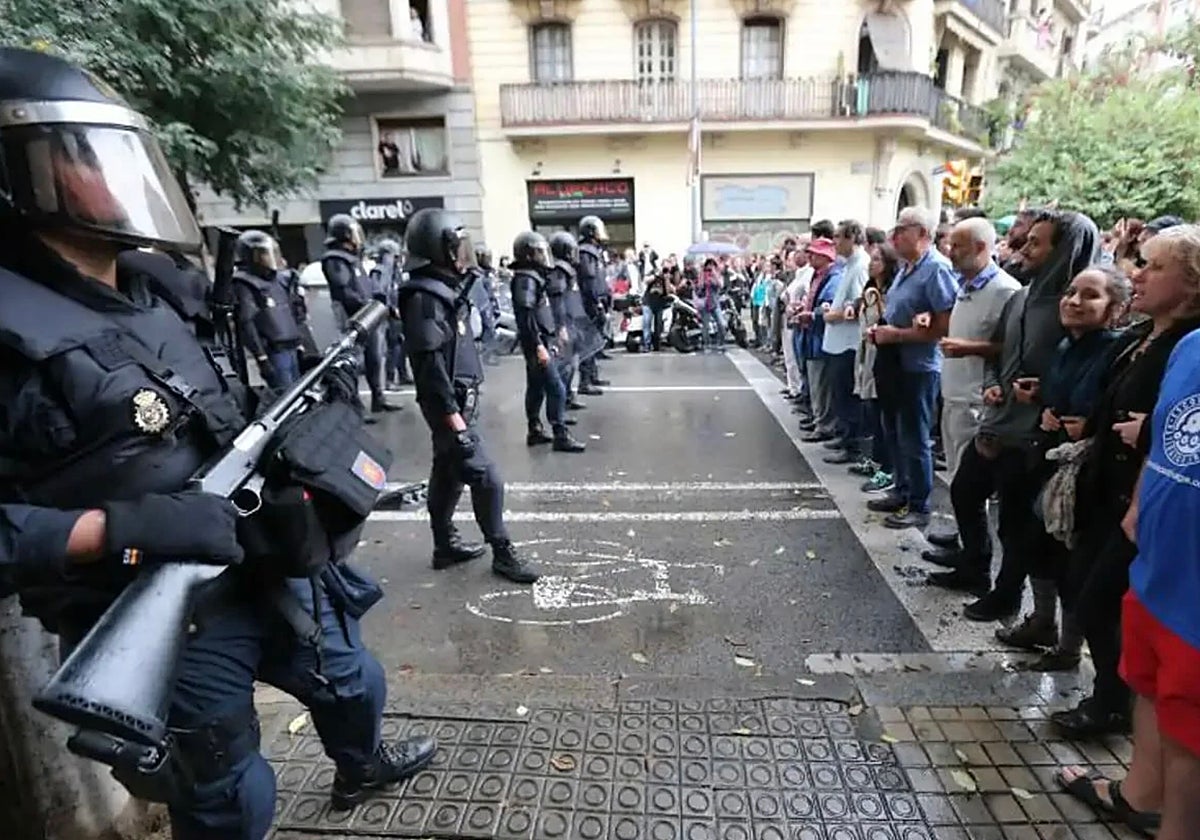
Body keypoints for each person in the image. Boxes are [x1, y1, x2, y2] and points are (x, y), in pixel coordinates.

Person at [0, 47, 435, 839]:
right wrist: (118, 528)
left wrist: (288, 430)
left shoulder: (156, 287)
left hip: (260, 556)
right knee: (232, 795)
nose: (117, 177)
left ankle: (360, 766)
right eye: (84, 156)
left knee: (353, 681)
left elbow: (205, 408)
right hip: (149, 604)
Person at [396, 208, 540, 584]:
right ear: (438, 249)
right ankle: (502, 552)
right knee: (486, 476)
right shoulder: (424, 298)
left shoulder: (441, 290)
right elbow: (429, 368)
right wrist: (452, 418)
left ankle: (444, 545)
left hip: (457, 402)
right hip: (448, 405)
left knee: (447, 474)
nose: (464, 254)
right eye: (457, 247)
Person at [866, 206, 959, 530]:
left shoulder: (936, 269)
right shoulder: (908, 268)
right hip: (894, 362)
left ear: (922, 233)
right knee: (894, 430)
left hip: (918, 366)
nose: (895, 235)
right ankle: (902, 490)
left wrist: (897, 334)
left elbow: (945, 325)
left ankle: (919, 503)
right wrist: (883, 331)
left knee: (915, 437)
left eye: (902, 229)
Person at [509, 231, 585, 453]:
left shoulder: (531, 277)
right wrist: (539, 346)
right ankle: (560, 434)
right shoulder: (526, 279)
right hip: (537, 342)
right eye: (538, 252)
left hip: (539, 340)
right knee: (556, 388)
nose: (543, 256)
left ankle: (534, 429)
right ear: (528, 255)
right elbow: (526, 317)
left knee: (536, 387)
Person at [321, 214, 399, 417]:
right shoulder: (335, 259)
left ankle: (378, 398)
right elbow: (344, 291)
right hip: (353, 318)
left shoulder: (353, 258)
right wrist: (366, 305)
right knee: (353, 363)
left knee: (374, 359)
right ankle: (355, 406)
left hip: (367, 315)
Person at [231, 230, 304, 388]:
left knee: (300, 391)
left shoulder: (279, 280)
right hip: (274, 350)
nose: (271, 258)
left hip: (291, 346)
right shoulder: (245, 283)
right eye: (264, 253)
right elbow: (247, 321)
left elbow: (292, 311)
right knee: (285, 393)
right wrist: (261, 356)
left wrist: (300, 341)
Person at [548, 231, 597, 408]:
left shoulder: (567, 270)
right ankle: (562, 404)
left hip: (572, 321)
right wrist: (561, 327)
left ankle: (567, 398)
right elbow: (558, 301)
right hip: (564, 323)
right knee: (565, 366)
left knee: (571, 364)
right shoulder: (559, 271)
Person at [576, 215, 611, 393]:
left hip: (595, 302)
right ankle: (585, 381)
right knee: (588, 343)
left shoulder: (593, 251)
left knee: (594, 342)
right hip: (589, 304)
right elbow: (589, 281)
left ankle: (592, 376)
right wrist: (596, 302)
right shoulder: (586, 252)